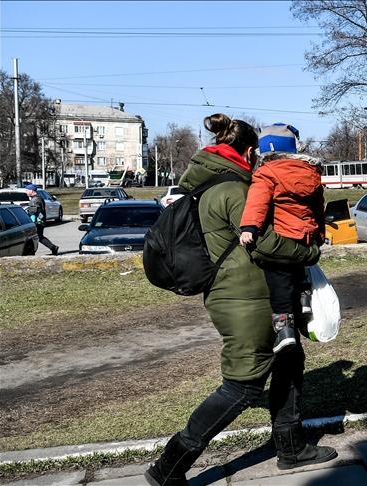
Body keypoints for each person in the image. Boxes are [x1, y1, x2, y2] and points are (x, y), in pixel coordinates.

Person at [144, 114, 336, 486]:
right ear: (249, 151)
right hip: (245, 299)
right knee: (242, 385)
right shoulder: (234, 189)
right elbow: (264, 243)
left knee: (289, 359)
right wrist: (309, 254)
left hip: (252, 294)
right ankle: (168, 467)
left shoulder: (214, 183)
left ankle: (292, 447)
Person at [239, 123, 324, 354]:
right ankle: (304, 301)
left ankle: (284, 330)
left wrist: (249, 227)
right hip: (305, 237)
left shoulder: (266, 173)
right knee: (299, 270)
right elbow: (318, 209)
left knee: (278, 280)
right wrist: (320, 234)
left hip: (283, 234)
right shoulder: (311, 173)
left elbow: (258, 202)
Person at [23, 184, 59, 255]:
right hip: (40, 221)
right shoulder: (39, 198)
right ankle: (53, 247)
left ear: (32, 191)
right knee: (39, 237)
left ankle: (30, 253)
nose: (26, 192)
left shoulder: (35, 200)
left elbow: (33, 213)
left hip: (37, 222)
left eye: (27, 190)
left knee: (33, 238)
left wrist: (31, 222)